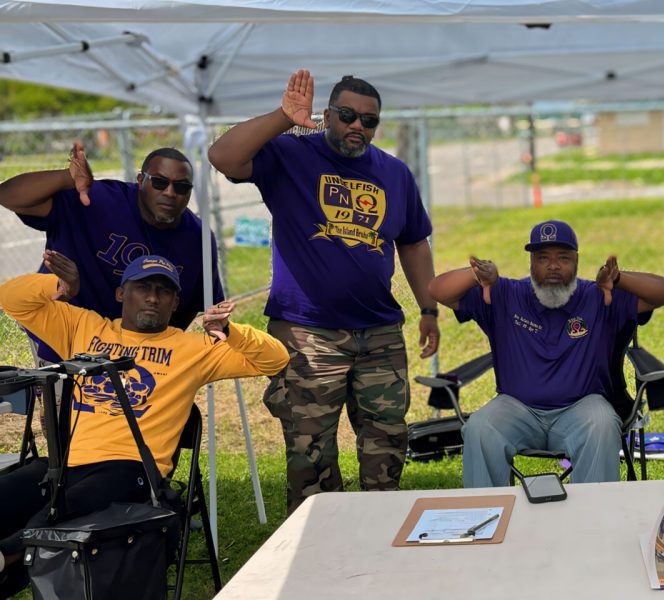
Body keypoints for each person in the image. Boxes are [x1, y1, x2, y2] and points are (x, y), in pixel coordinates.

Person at [207, 69, 440, 512]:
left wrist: (428, 307)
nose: (358, 126)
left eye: (368, 121)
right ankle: (316, 539)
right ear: (328, 115)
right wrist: (283, 117)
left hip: (379, 332)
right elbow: (223, 156)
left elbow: (412, 242)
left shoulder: (394, 173)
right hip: (307, 332)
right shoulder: (291, 155)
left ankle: (381, 524)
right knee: (310, 448)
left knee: (387, 439)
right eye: (348, 115)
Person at [0, 254, 288, 597]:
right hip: (65, 465)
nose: (153, 297)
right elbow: (11, 299)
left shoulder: (192, 348)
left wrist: (229, 331)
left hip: (132, 471)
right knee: (15, 491)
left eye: (163, 291)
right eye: (143, 288)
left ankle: (8, 554)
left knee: (65, 506)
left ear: (175, 302)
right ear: (122, 294)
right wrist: (58, 285)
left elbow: (276, 358)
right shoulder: (82, 327)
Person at [428, 220, 664, 487]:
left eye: (564, 258)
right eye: (543, 258)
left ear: (577, 261)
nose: (553, 266)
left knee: (603, 423)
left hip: (582, 408)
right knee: (480, 427)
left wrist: (619, 279)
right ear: (531, 262)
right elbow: (437, 290)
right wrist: (475, 275)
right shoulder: (504, 293)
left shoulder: (598, 295)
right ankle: (488, 516)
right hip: (516, 408)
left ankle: (591, 521)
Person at [0, 142, 224, 363]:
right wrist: (66, 178)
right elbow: (8, 196)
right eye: (159, 182)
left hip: (138, 354)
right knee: (70, 400)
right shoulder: (94, 200)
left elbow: (190, 304)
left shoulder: (198, 238)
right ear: (140, 180)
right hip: (67, 341)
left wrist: (156, 346)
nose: (170, 192)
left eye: (182, 187)